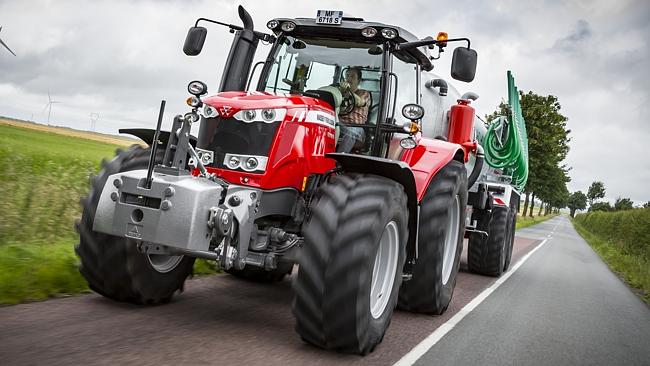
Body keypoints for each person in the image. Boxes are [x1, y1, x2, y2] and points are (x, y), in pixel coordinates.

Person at [337, 67, 371, 153]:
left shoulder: (364, 93)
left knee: (352, 132)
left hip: (357, 127)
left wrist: (348, 90)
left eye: (352, 76)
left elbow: (359, 102)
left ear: (359, 80)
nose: (349, 79)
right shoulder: (339, 92)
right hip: (340, 124)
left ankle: (338, 159)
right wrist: (340, 91)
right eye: (347, 76)